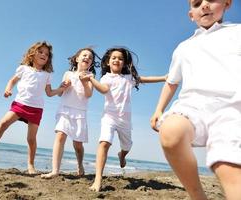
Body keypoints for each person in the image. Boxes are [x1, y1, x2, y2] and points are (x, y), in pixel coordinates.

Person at [150, 0, 241, 199]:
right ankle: (197, 195)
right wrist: (158, 110)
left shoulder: (237, 32)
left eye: (211, 0)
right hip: (192, 107)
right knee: (171, 132)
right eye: (197, 3)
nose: (205, 5)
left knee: (226, 165)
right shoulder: (184, 47)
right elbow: (172, 81)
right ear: (191, 15)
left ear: (227, 3)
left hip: (231, 108)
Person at [0, 41, 67, 174]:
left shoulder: (47, 75)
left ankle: (30, 165)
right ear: (32, 54)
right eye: (40, 52)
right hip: (20, 104)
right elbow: (12, 81)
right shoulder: (23, 68)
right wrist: (8, 90)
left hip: (36, 108)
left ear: (48, 59)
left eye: (46, 54)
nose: (44, 55)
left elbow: (49, 93)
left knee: (31, 139)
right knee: (2, 124)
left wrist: (61, 89)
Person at [86, 47, 166, 192]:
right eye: (114, 58)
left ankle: (121, 156)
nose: (117, 60)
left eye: (120, 58)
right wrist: (91, 78)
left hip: (125, 121)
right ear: (108, 62)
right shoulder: (106, 78)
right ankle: (98, 180)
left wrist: (164, 78)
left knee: (127, 147)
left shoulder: (128, 79)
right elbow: (104, 90)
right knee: (104, 143)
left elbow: (144, 79)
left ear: (124, 63)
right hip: (109, 117)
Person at [41, 47, 99, 179]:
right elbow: (60, 94)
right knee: (60, 136)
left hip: (80, 112)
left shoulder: (90, 76)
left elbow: (89, 94)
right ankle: (55, 170)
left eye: (90, 58)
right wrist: (63, 87)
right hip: (65, 109)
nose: (87, 58)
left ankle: (79, 165)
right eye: (84, 55)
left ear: (91, 63)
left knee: (78, 144)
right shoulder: (68, 74)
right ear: (77, 58)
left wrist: (84, 82)